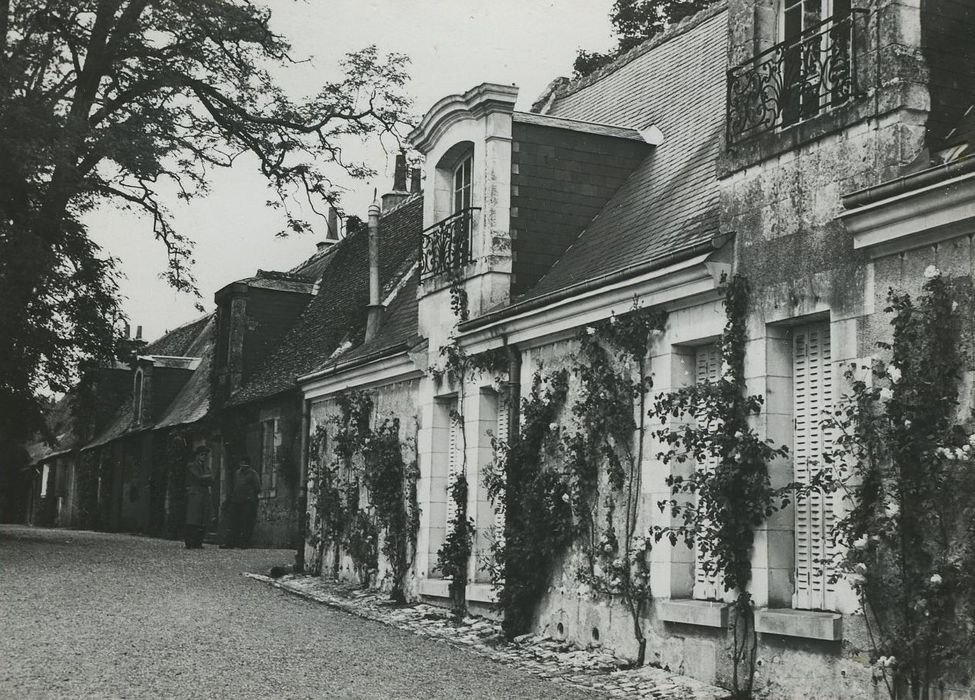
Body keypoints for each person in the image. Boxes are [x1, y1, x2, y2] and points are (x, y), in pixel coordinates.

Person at [221, 457, 260, 548]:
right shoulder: (237, 473)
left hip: (247, 501)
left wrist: (250, 496)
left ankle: (244, 543)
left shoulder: (253, 474)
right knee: (233, 522)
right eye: (241, 463)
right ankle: (230, 542)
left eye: (244, 463)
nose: (242, 465)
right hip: (236, 500)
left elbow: (257, 487)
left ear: (248, 464)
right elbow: (235, 485)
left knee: (246, 523)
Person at [184, 445, 213, 549]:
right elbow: (199, 477)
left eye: (205, 455)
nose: (204, 457)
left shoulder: (206, 467)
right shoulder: (191, 466)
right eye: (202, 455)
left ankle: (198, 542)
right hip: (195, 495)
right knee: (193, 520)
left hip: (204, 495)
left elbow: (211, 480)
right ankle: (190, 542)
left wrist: (206, 478)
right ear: (197, 456)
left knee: (202, 520)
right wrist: (207, 477)